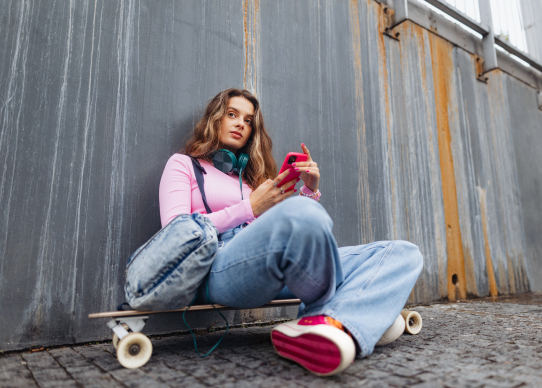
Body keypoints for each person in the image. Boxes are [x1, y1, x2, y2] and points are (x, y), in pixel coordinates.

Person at [159, 88, 423, 376]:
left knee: (404, 253)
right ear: (214, 119)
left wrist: (308, 191)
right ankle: (349, 320)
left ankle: (322, 326)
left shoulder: (249, 180)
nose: (240, 124)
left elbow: (289, 231)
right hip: (216, 269)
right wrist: (248, 208)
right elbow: (175, 235)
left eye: (248, 121)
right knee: (301, 216)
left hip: (272, 267)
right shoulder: (183, 164)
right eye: (232, 114)